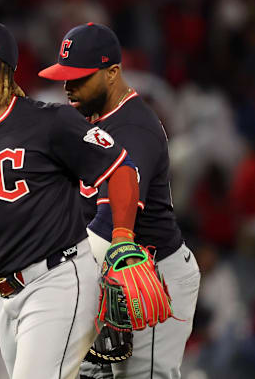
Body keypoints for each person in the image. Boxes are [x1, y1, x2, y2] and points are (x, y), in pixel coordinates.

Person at [0, 16, 145, 379]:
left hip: (58, 280)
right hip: (1, 294)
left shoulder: (50, 122)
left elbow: (120, 169)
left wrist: (121, 238)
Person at [39, 22, 201, 379]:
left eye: (79, 78)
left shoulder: (133, 128)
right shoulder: (87, 120)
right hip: (106, 271)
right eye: (64, 77)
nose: (68, 87)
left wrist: (62, 272)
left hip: (152, 274)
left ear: (112, 73)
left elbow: (113, 217)